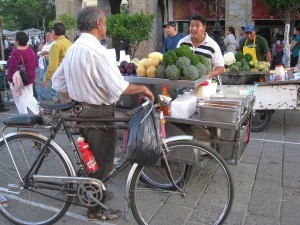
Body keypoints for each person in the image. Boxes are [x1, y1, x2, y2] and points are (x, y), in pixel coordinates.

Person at [52, 6, 154, 221]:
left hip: (79, 112)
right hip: (98, 114)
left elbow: (57, 82)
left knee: (89, 159)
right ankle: (94, 210)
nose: (105, 26)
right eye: (105, 22)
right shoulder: (97, 51)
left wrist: (73, 98)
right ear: (98, 24)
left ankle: (93, 193)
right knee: (101, 163)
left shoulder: (74, 48)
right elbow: (120, 87)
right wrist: (143, 89)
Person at [177, 14, 224, 79]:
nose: (193, 28)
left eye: (197, 26)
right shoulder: (182, 42)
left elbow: (220, 67)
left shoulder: (212, 45)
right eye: (191, 25)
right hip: (184, 84)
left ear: (204, 28)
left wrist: (207, 76)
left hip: (204, 85)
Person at [7, 32, 39, 114]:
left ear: (17, 41)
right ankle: (41, 113)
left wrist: (9, 79)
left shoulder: (16, 52)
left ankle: (24, 118)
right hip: (30, 78)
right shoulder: (30, 50)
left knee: (20, 100)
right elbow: (35, 63)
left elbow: (12, 68)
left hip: (19, 80)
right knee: (30, 98)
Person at [43, 22, 72, 102]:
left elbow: (52, 66)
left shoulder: (56, 45)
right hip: (70, 77)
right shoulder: (69, 43)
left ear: (54, 32)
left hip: (61, 79)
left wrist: (46, 79)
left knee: (65, 105)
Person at [37, 31, 57, 100]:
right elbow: (40, 50)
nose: (47, 37)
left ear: (52, 35)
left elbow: (42, 52)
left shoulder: (54, 43)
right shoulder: (46, 44)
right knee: (42, 78)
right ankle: (43, 95)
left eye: (49, 35)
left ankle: (54, 95)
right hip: (44, 64)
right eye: (47, 36)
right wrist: (41, 43)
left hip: (50, 63)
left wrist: (42, 52)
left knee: (53, 79)